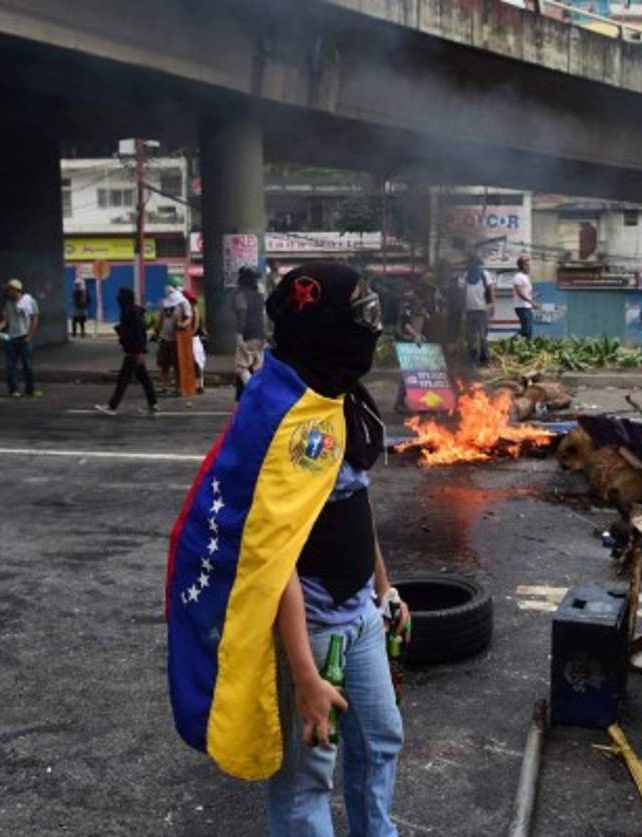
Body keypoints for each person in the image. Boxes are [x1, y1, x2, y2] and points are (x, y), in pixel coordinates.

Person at [165, 262, 409, 837]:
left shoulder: (334, 394)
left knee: (381, 741)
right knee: (307, 779)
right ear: (323, 324)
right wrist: (303, 673)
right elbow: (272, 558)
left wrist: (385, 587)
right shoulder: (283, 416)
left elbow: (354, 503)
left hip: (361, 614)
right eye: (361, 315)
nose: (371, 328)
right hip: (314, 626)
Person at [94, 287, 158, 416]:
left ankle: (112, 406)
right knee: (143, 378)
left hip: (133, 352)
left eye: (120, 295)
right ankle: (153, 404)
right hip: (134, 350)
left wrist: (140, 351)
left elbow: (138, 333)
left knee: (123, 379)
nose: (117, 298)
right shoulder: (129, 310)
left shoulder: (130, 312)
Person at [0, 279, 40, 398]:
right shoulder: (8, 304)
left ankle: (30, 390)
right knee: (10, 366)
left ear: (15, 290)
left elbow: (35, 319)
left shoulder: (29, 301)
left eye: (9, 290)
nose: (7, 292)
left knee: (27, 366)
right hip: (11, 338)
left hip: (24, 338)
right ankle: (13, 390)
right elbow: (6, 321)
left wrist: (29, 336)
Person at [392, 288, 429, 413]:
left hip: (413, 340)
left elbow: (419, 320)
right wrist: (415, 335)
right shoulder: (408, 300)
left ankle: (419, 402)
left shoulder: (419, 301)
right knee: (409, 373)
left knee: (417, 372)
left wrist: (420, 335)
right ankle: (400, 403)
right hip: (405, 340)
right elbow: (405, 323)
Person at [233, 266, 266, 401]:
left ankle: (254, 394)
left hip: (248, 334)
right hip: (260, 335)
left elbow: (242, 315)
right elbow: (264, 316)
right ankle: (260, 393)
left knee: (241, 367)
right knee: (257, 367)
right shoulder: (260, 296)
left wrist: (239, 334)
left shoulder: (241, 296)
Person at [155, 277, 191, 394]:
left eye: (171, 286)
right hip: (164, 337)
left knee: (177, 364)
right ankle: (164, 386)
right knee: (163, 363)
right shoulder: (165, 302)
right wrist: (157, 331)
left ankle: (179, 387)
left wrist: (183, 324)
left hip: (177, 339)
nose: (168, 290)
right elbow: (161, 318)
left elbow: (189, 317)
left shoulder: (183, 302)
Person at [459, 255, 493, 365]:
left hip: (482, 310)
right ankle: (471, 359)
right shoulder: (465, 276)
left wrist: (491, 306)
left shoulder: (485, 275)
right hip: (470, 311)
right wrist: (463, 311)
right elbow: (463, 294)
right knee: (470, 338)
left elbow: (490, 291)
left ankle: (484, 359)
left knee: (483, 336)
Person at [511, 255, 535, 339]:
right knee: (526, 329)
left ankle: (528, 347)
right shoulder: (518, 277)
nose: (529, 267)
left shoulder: (525, 277)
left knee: (529, 330)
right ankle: (512, 341)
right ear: (521, 266)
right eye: (526, 265)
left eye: (529, 265)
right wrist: (531, 302)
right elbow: (519, 293)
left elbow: (526, 292)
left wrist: (533, 297)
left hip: (527, 306)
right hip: (521, 307)